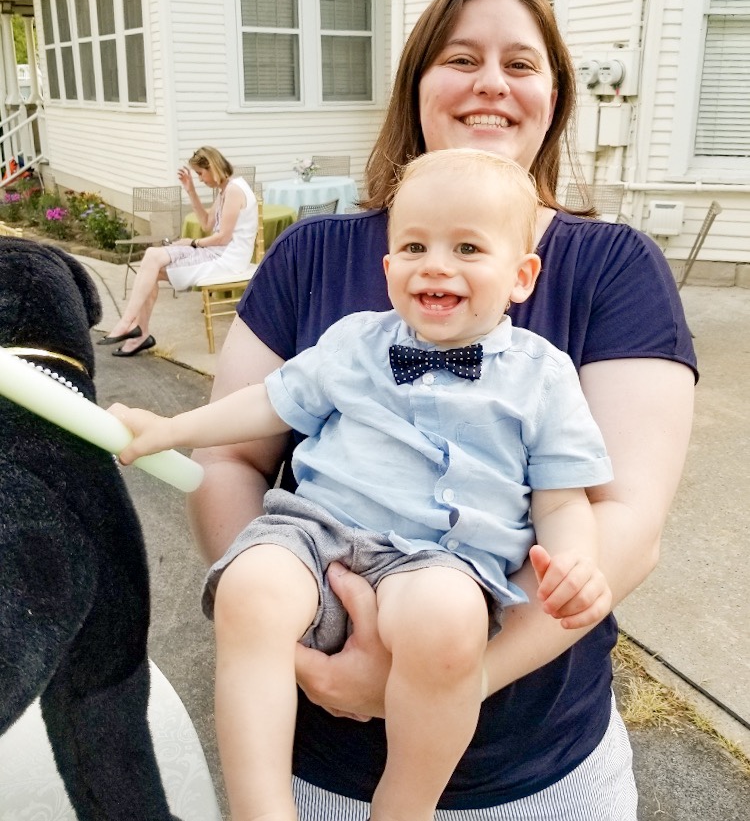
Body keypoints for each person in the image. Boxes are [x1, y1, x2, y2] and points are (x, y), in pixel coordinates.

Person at [187, 0, 698, 821]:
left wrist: (446, 677)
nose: (491, 82)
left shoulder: (616, 267)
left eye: (521, 64)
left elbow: (624, 522)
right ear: (417, 85)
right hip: (320, 766)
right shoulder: (312, 254)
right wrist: (294, 637)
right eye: (461, 58)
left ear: (554, 99)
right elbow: (228, 456)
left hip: (539, 771)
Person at [112, 149, 615, 821]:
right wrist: (171, 429)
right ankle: (261, 808)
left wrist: (576, 560)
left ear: (521, 276)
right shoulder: (355, 342)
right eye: (414, 247)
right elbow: (267, 402)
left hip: (442, 558)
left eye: (467, 247)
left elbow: (562, 497)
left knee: (451, 620)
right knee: (249, 588)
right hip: (316, 533)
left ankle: (403, 806)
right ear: (388, 268)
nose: (435, 265)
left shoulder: (543, 376)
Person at [98, 146, 257, 357]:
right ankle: (137, 332)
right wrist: (190, 190)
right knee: (151, 262)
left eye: (200, 173)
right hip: (217, 253)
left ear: (212, 167)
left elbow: (223, 237)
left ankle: (130, 326)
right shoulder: (226, 189)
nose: (200, 179)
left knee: (152, 262)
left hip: (226, 259)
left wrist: (192, 242)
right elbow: (207, 223)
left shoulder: (234, 190)